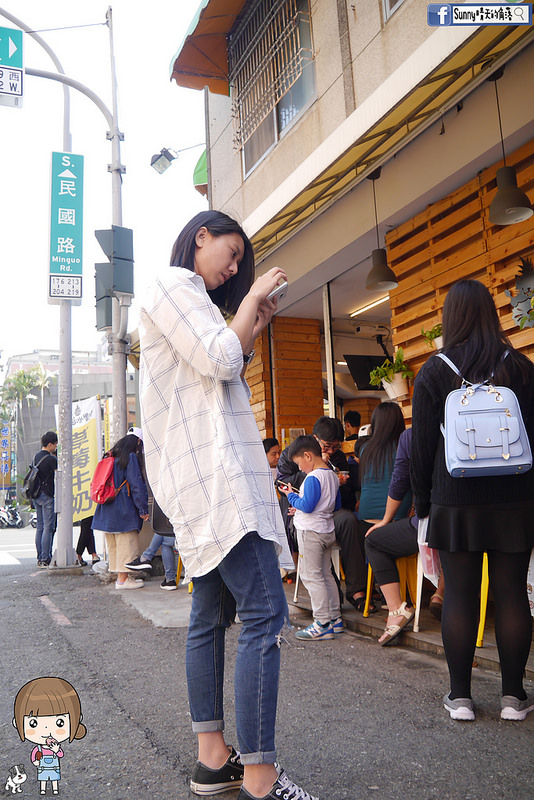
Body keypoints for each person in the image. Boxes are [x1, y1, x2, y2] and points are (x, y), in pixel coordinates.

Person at [139, 210, 317, 800]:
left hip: (203, 483)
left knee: (211, 616)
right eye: (233, 253)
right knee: (266, 611)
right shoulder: (174, 284)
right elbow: (220, 359)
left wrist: (252, 319)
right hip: (216, 485)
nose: (236, 268)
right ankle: (262, 779)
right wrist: (254, 298)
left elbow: (221, 360)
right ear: (202, 236)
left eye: (242, 262)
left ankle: (213, 759)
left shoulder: (188, 299)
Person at [411, 279, 534, 722]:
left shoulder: (433, 371)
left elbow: (422, 448)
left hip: (454, 502)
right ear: (490, 314)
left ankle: (461, 698)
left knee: (460, 596)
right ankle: (514, 698)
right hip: (515, 500)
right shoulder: (519, 367)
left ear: (451, 317)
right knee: (512, 595)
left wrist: (423, 507)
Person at [277, 416, 370, 612]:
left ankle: (357, 591)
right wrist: (314, 470)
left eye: (335, 447)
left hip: (329, 513)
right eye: (327, 446)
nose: (330, 451)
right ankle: (330, 602)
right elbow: (281, 483)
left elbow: (345, 498)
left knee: (350, 521)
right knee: (319, 563)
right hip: (300, 515)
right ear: (315, 438)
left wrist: (340, 483)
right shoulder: (292, 454)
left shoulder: (337, 457)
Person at [278, 435, 342, 640]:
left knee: (311, 577)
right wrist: (301, 506)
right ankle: (335, 619)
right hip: (326, 529)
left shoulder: (313, 477)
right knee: (326, 574)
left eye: (299, 463)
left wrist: (291, 496)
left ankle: (322, 622)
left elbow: (307, 505)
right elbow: (335, 504)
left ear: (307, 455)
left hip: (311, 533)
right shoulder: (332, 475)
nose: (300, 469)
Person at [92, 431, 149, 590]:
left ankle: (121, 578)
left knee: (114, 545)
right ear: (137, 442)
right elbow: (136, 485)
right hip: (123, 509)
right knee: (127, 544)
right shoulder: (129, 458)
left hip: (107, 508)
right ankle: (123, 580)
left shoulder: (110, 456)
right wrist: (143, 509)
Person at [12, 676, 87, 795]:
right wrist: (35, 761)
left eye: (60, 722)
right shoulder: (39, 748)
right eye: (33, 723)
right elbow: (34, 754)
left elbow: (60, 754)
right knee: (43, 778)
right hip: (43, 766)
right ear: (17, 723)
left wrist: (57, 750)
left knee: (54, 778)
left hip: (53, 766)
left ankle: (55, 789)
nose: (46, 730)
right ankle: (43, 789)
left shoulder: (53, 746)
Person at [32, 431, 58, 567]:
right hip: (47, 495)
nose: (55, 447)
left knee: (40, 527)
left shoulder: (36, 457)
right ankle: (45, 557)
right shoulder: (51, 459)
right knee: (48, 527)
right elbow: (61, 470)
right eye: (55, 445)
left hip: (36, 495)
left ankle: (40, 557)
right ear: (49, 445)